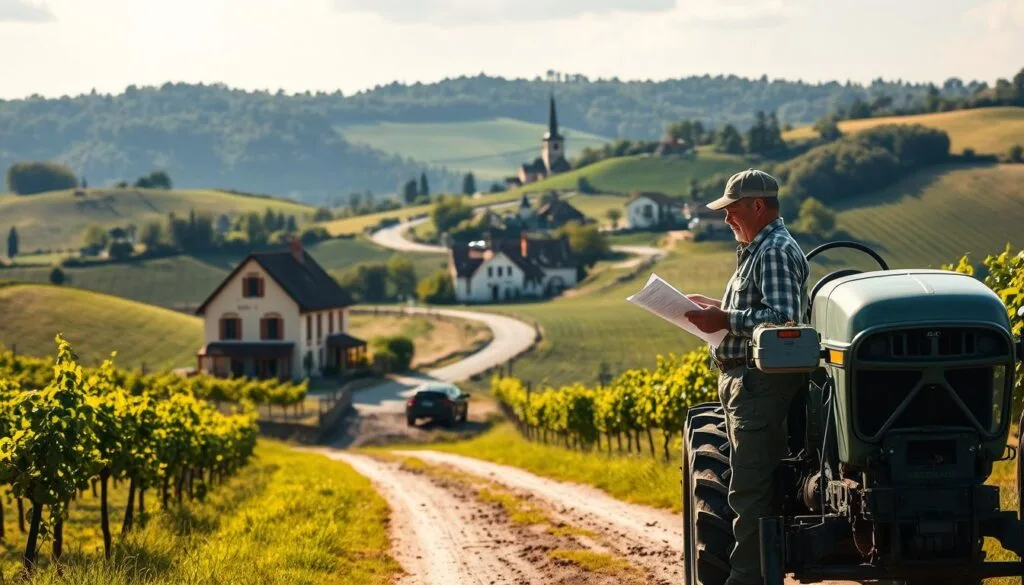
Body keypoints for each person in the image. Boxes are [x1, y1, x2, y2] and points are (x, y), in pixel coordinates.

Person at [685, 168, 810, 585]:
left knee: (750, 492)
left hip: (760, 385)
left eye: (732, 209)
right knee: (746, 488)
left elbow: (783, 321)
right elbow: (760, 309)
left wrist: (724, 318)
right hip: (747, 384)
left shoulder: (773, 250)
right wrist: (715, 309)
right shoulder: (758, 249)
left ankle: (747, 580)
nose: (725, 219)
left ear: (758, 206)